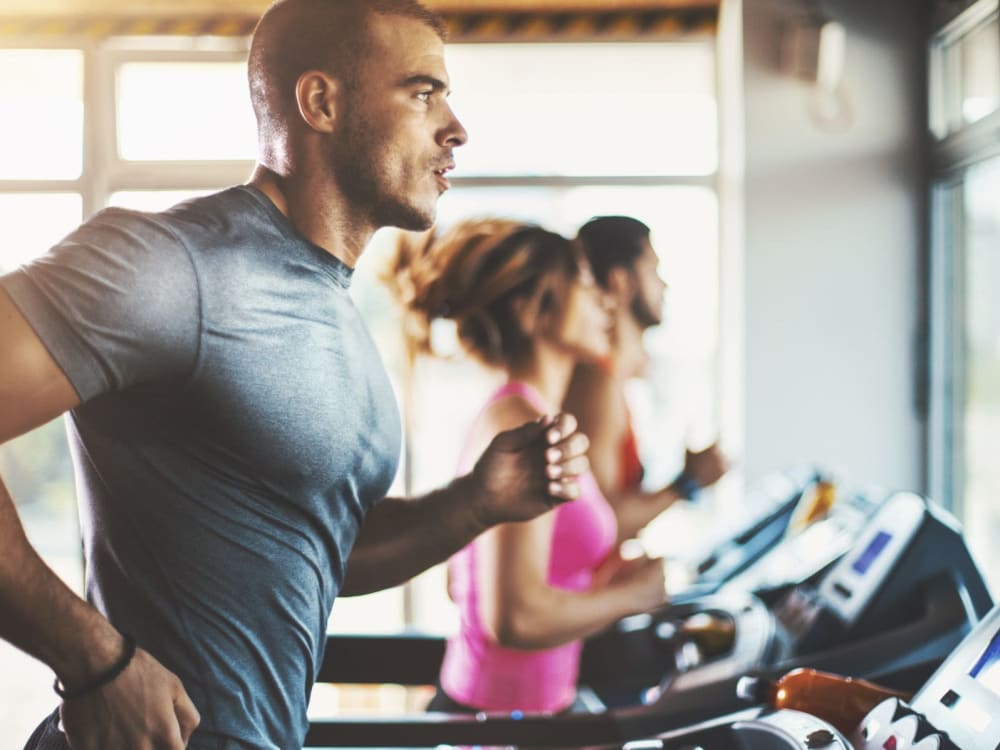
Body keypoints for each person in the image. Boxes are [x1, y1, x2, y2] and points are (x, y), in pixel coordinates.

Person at [0, 2, 594, 749]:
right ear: (320, 103)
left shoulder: (344, 317)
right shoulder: (174, 267)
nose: (456, 128)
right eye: (422, 93)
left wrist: (476, 503)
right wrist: (93, 660)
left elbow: (318, 553)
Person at [387, 218, 670, 715]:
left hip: (536, 715)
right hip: (497, 724)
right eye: (583, 283)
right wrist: (634, 597)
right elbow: (513, 618)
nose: (605, 301)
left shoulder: (534, 416)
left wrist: (599, 586)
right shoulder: (519, 424)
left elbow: (467, 581)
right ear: (531, 311)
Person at [564, 216, 729, 544]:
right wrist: (688, 483)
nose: (663, 286)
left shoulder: (617, 379)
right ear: (621, 280)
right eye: (653, 269)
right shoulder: (596, 383)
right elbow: (599, 526)